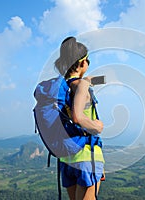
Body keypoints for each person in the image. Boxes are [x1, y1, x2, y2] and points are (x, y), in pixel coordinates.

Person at [54, 36, 105, 200]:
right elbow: (77, 117)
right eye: (88, 60)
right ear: (83, 63)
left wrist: (92, 80)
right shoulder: (82, 86)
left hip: (67, 157)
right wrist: (97, 127)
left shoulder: (60, 88)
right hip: (86, 156)